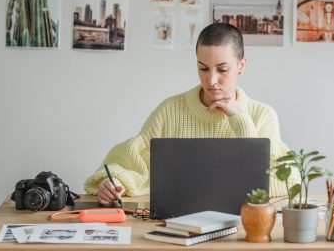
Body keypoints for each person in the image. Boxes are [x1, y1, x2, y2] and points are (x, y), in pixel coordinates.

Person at [85, 23, 298, 205]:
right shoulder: (170, 110)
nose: (211, 81)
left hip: (242, 223)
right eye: (203, 69)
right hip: (176, 222)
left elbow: (288, 182)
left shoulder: (262, 114)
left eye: (222, 70)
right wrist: (112, 185)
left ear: (241, 66)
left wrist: (241, 120)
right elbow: (131, 163)